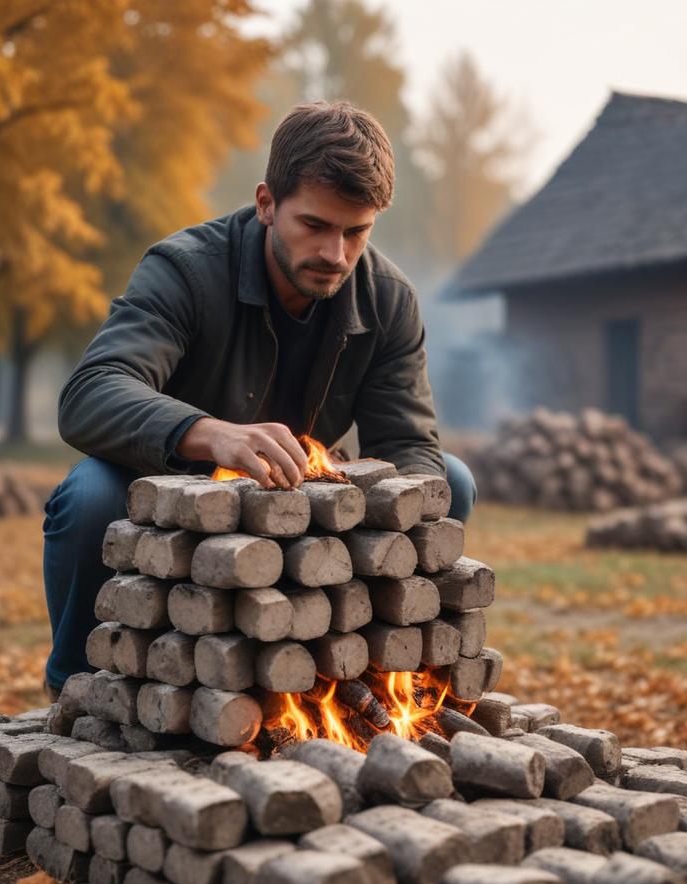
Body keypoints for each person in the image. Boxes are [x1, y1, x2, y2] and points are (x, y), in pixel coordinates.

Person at [42, 100, 477, 697]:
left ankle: (370, 680)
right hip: (171, 507)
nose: (336, 254)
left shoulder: (390, 300)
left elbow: (408, 445)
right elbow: (91, 393)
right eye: (315, 226)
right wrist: (212, 432)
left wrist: (370, 516)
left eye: (357, 232)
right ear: (266, 203)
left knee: (449, 480)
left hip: (306, 520)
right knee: (89, 493)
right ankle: (78, 688)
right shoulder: (183, 269)